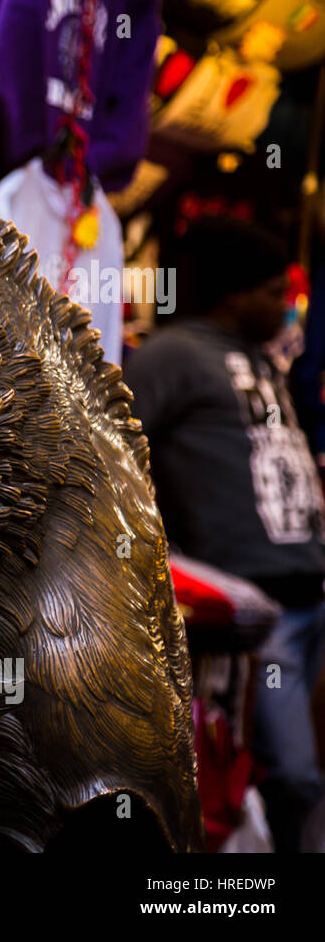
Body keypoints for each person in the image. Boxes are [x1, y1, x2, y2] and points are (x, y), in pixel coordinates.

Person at [124, 216, 325, 852]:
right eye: (273, 292)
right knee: (291, 774)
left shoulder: (261, 360)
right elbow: (118, 450)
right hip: (253, 612)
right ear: (232, 294)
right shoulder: (174, 354)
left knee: (295, 772)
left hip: (310, 597)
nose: (287, 307)